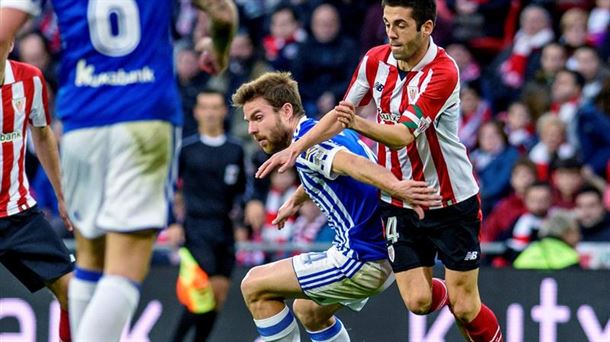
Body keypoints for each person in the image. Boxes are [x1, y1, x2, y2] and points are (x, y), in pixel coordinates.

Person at [256, 1, 503, 341]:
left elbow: (401, 136)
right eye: (387, 23)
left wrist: (355, 121)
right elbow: (338, 116)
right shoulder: (374, 60)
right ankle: (441, 291)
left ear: (426, 27)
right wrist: (296, 150)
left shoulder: (443, 72)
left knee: (465, 307)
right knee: (418, 301)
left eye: (401, 24)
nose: (391, 32)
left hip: (449, 198)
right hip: (398, 199)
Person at [0, 1, 237, 341]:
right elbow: (222, 10)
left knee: (89, 265)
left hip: (82, 120)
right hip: (145, 115)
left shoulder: (30, 80)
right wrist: (218, 49)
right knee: (124, 266)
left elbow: (5, 25)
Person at [234, 71, 442, 341]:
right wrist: (297, 199)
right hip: (385, 252)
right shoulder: (321, 131)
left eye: (258, 117)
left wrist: (396, 187)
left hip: (360, 258)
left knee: (254, 285)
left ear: (286, 111)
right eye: (248, 121)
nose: (251, 129)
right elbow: (333, 168)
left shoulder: (307, 147)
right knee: (309, 311)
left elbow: (351, 164)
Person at [0, 40, 73, 342]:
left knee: (75, 294)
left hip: (19, 215)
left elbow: (42, 134)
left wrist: (61, 193)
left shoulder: (29, 79)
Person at [168, 89, 246, 341]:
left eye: (215, 107)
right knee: (204, 291)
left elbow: (244, 189)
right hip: (196, 227)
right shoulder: (187, 148)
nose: (211, 113)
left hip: (223, 227)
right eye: (205, 107)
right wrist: (172, 222)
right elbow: (169, 187)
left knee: (219, 294)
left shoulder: (235, 149)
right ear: (197, 112)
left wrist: (244, 216)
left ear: (224, 112)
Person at [513, 209, 581, 270]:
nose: (579, 237)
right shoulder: (570, 258)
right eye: (576, 231)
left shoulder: (527, 253)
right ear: (567, 233)